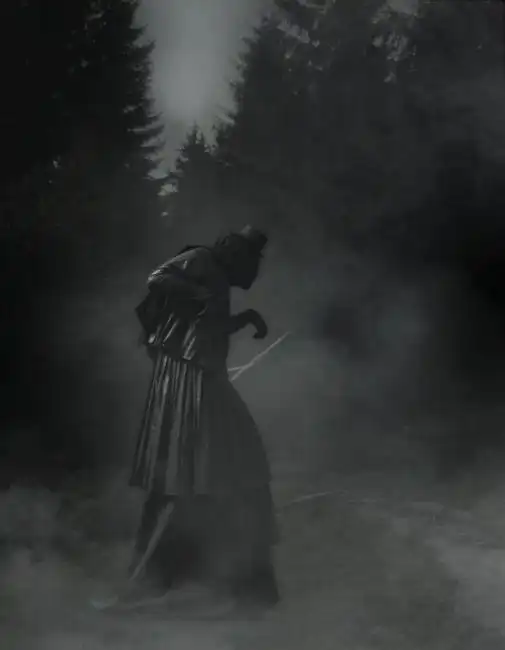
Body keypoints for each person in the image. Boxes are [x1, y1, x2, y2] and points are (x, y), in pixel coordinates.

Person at [127, 226, 279, 610]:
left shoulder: (218, 277)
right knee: (220, 465)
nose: (253, 270)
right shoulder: (201, 259)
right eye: (249, 258)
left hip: (200, 377)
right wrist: (199, 294)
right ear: (232, 251)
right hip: (187, 379)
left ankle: (237, 581)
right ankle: (227, 582)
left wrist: (244, 318)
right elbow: (157, 277)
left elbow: (208, 325)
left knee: (222, 467)